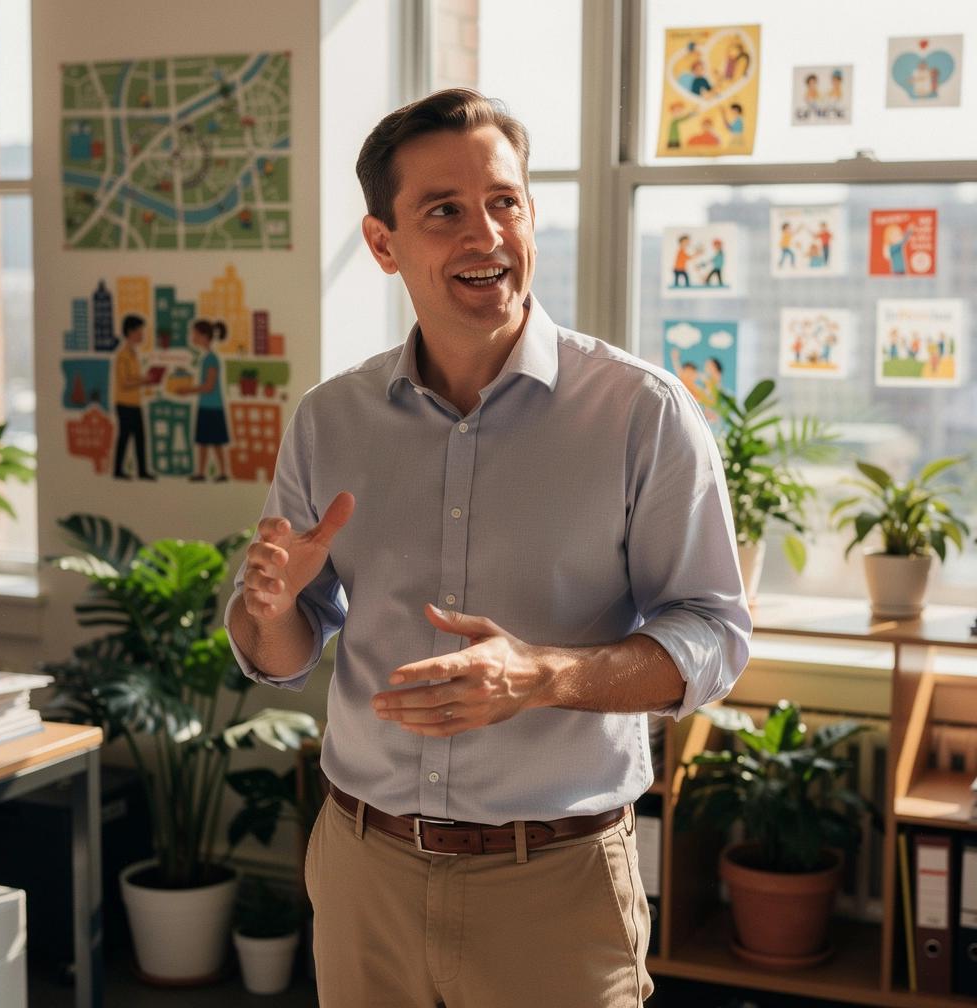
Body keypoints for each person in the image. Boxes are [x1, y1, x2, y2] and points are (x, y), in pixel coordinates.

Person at [225, 88, 750, 1008]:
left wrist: (544, 675)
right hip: (362, 870)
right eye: (444, 212)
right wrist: (266, 611)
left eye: (504, 201)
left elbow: (715, 636)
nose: (486, 235)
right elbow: (288, 646)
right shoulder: (329, 420)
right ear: (383, 244)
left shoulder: (642, 413)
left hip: (554, 884)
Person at [178, 318, 230, 481]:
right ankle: (201, 472)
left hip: (213, 407)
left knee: (215, 442)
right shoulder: (206, 358)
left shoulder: (211, 359)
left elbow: (208, 385)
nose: (192, 337)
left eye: (195, 334)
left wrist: (188, 390)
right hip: (206, 405)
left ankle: (222, 472)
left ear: (204, 336)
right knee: (203, 442)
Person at [112, 313, 157, 480]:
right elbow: (124, 382)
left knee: (140, 437)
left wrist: (147, 379)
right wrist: (143, 381)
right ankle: (118, 470)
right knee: (124, 437)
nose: (142, 335)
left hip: (134, 402)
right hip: (124, 403)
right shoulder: (123, 355)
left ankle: (142, 471)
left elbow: (133, 376)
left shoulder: (133, 353)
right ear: (130, 332)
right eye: (139, 331)